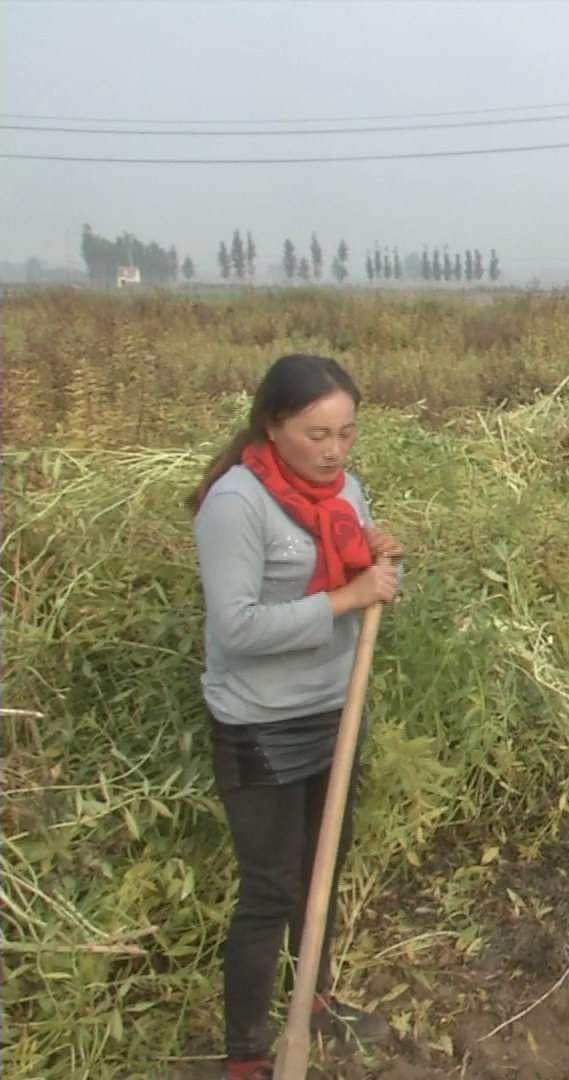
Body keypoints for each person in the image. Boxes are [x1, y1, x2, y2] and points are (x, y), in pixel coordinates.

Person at [187, 353, 404, 1080]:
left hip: (335, 710)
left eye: (347, 432)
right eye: (317, 434)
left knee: (322, 871)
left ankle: (312, 1000)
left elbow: (357, 564)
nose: (335, 450)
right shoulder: (237, 504)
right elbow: (239, 628)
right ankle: (249, 1055)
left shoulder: (348, 493)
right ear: (273, 426)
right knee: (271, 887)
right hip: (261, 727)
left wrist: (374, 554)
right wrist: (350, 597)